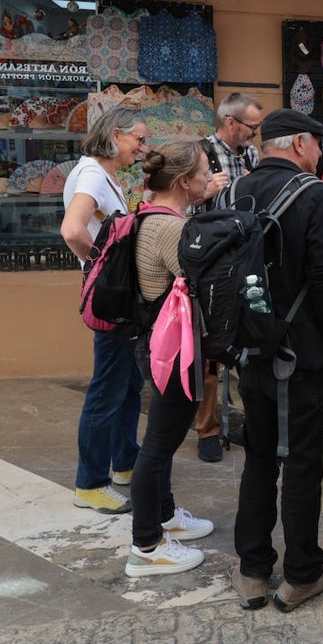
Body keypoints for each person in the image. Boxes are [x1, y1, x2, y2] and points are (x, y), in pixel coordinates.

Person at [230, 109, 323, 613]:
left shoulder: (232, 192)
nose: (322, 154)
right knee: (303, 463)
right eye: (319, 144)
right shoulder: (316, 196)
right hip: (301, 355)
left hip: (250, 350)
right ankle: (301, 573)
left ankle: (253, 571)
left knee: (259, 458)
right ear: (300, 143)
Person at [124, 141, 217, 577]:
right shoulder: (172, 230)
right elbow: (200, 283)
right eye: (203, 172)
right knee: (159, 446)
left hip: (151, 341)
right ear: (184, 182)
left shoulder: (148, 213)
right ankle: (146, 545)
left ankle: (164, 516)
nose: (208, 178)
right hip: (170, 348)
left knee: (161, 441)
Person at [60, 108, 152, 514]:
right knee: (108, 390)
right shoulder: (94, 175)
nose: (142, 147)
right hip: (112, 299)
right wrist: (99, 269)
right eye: (139, 139)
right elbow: (72, 229)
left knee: (127, 384)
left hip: (119, 299)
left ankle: (125, 462)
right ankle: (91, 482)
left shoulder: (101, 173)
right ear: (116, 135)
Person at [193, 92, 265, 462]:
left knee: (249, 338)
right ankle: (208, 428)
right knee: (209, 350)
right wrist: (205, 191)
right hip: (210, 262)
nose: (255, 133)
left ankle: (254, 421)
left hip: (246, 258)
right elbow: (175, 202)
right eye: (251, 126)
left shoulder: (251, 156)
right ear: (230, 122)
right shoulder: (200, 153)